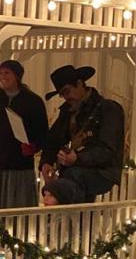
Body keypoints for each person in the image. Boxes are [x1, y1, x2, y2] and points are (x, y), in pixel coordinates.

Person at [39, 65, 125, 204]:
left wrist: (77, 159)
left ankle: (65, 219)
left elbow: (108, 150)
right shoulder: (68, 111)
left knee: (70, 179)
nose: (66, 98)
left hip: (102, 172)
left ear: (79, 84)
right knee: (69, 180)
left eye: (68, 91)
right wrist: (46, 162)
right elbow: (52, 139)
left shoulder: (108, 109)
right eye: (62, 94)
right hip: (74, 173)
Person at [0, 59, 48, 209]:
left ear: (17, 76)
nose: (3, 76)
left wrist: (33, 147)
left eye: (7, 73)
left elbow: (43, 132)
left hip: (18, 166)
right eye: (0, 73)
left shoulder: (33, 102)